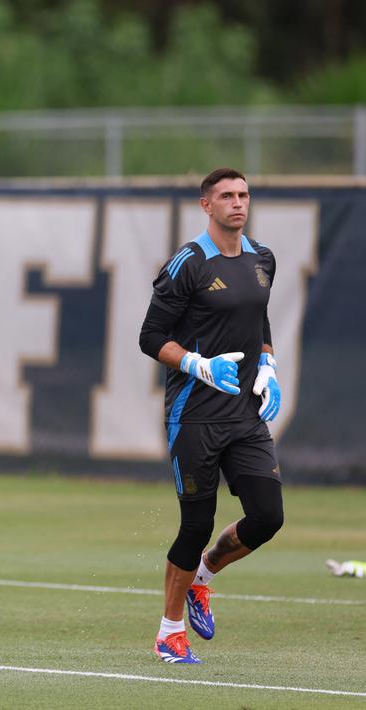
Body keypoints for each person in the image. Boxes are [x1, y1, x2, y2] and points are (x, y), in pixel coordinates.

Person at [139, 167, 284, 664]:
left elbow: (257, 316)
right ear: (207, 205)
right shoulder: (188, 264)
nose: (238, 203)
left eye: (244, 194)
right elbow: (150, 336)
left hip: (245, 413)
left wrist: (266, 361)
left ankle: (202, 579)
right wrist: (197, 363)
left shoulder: (262, 258)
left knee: (268, 516)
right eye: (227, 196)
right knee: (196, 523)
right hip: (194, 415)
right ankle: (168, 632)